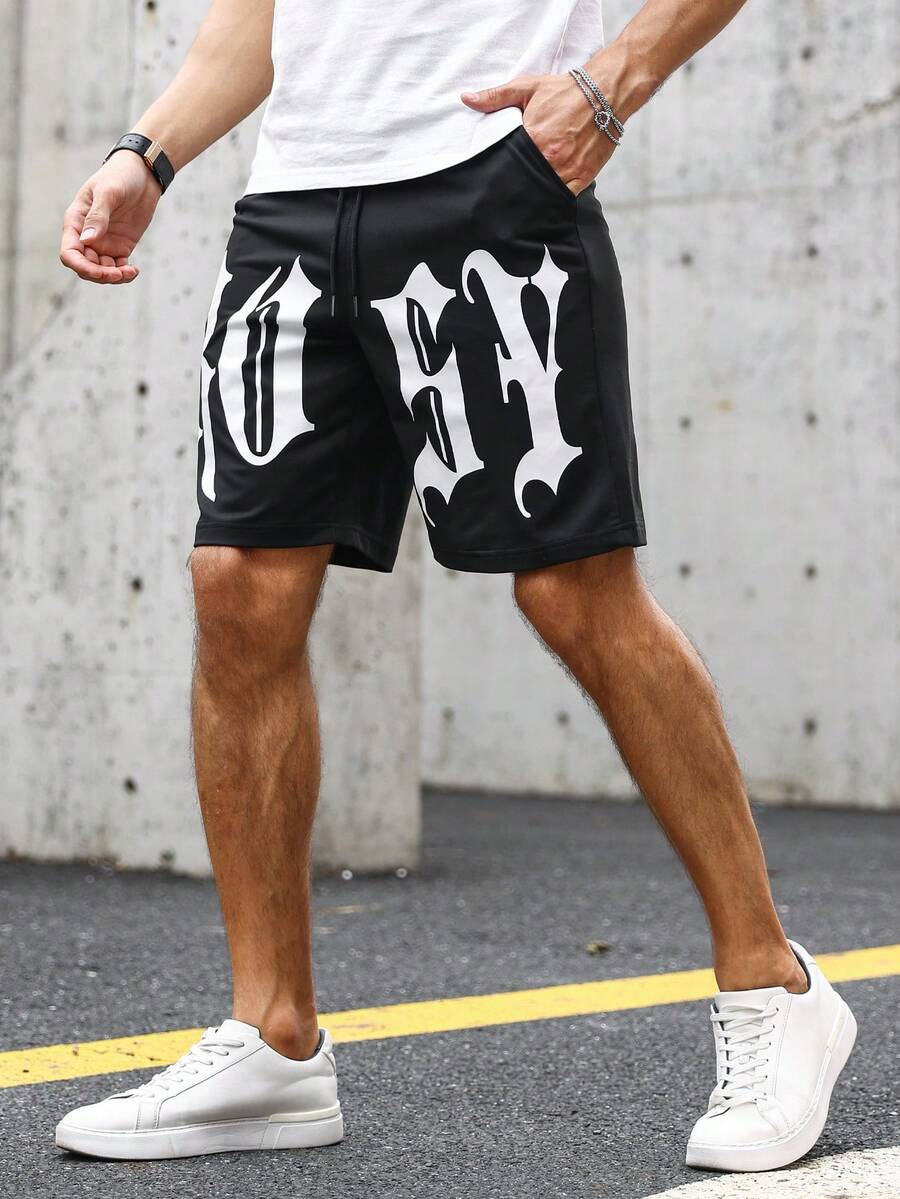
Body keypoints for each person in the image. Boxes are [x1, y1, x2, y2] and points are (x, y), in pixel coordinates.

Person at [54, 0, 855, 1172]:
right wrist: (150, 151)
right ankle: (274, 1038)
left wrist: (612, 81)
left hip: (489, 182)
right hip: (293, 208)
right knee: (238, 584)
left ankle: (773, 984)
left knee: (572, 591)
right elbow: (260, 20)